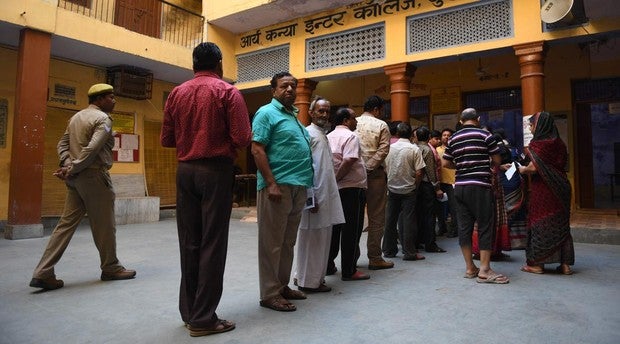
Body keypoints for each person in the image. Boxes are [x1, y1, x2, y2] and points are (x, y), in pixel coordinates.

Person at [161, 42, 251, 337]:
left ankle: (190, 313)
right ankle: (203, 319)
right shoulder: (228, 92)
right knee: (213, 242)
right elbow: (241, 137)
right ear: (220, 64)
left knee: (189, 241)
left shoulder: (177, 92)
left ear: (193, 64)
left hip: (185, 171)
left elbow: (167, 139)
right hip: (215, 171)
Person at [29, 83, 136, 291]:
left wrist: (67, 164)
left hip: (76, 179)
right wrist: (73, 167)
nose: (114, 101)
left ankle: (43, 272)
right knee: (105, 225)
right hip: (94, 177)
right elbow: (92, 149)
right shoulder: (103, 119)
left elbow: (62, 144)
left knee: (65, 225)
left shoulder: (75, 118)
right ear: (99, 99)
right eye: (111, 97)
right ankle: (111, 268)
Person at [252, 72, 314, 312]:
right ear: (274, 90)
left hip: (298, 186)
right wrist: (271, 183)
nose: (289, 89)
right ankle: (269, 294)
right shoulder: (266, 113)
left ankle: (281, 286)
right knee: (271, 243)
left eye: (293, 86)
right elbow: (257, 149)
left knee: (287, 242)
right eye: (284, 86)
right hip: (277, 187)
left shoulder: (294, 118)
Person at [442, 108, 509, 284]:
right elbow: (497, 161)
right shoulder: (486, 136)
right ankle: (485, 270)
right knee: (485, 226)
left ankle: (470, 268)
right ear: (477, 119)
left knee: (464, 227)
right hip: (480, 186)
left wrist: (464, 166)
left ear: (461, 120)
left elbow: (446, 162)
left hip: (461, 187)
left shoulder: (453, 138)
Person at [295, 97, 344, 293]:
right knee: (312, 239)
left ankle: (307, 278)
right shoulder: (308, 134)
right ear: (311, 113)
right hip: (315, 197)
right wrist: (310, 197)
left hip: (325, 196)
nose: (324, 114)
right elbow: (305, 167)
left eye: (327, 111)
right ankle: (309, 282)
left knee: (320, 238)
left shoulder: (322, 134)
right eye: (320, 111)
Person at [518, 112, 574, 275]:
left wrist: (522, 169)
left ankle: (537, 265)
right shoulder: (560, 144)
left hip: (544, 190)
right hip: (562, 188)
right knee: (561, 224)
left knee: (540, 222)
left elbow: (533, 168)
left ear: (540, 125)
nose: (530, 127)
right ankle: (565, 265)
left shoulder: (538, 145)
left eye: (532, 125)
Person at [326, 107, 371, 281]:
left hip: (335, 190)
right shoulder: (351, 136)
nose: (356, 121)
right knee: (352, 230)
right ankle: (349, 269)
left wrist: (333, 182)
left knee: (334, 229)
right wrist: (337, 178)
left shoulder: (328, 137)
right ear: (345, 120)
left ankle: (329, 265)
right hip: (352, 188)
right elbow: (349, 159)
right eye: (353, 118)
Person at [355, 95, 393, 270]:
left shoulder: (352, 122)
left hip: (353, 176)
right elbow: (383, 150)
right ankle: (375, 257)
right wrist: (369, 167)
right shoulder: (381, 125)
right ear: (377, 109)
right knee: (376, 217)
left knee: (352, 217)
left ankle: (351, 258)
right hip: (375, 175)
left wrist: (360, 169)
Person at [383, 122, 426, 261]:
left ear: (396, 133)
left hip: (392, 188)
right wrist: (415, 186)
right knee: (408, 221)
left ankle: (389, 251)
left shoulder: (389, 148)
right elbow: (419, 172)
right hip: (409, 190)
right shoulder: (414, 149)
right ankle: (409, 252)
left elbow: (384, 168)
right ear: (411, 134)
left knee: (390, 220)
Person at [415, 126, 446, 253]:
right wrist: (436, 187)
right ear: (428, 137)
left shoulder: (414, 148)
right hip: (427, 185)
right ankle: (430, 244)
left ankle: (418, 241)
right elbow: (430, 171)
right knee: (429, 216)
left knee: (418, 215)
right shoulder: (427, 150)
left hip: (417, 185)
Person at [436, 128, 458, 238]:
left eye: (448, 135)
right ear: (441, 137)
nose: (446, 137)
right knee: (440, 208)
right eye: (444, 135)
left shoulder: (455, 149)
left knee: (454, 207)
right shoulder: (436, 150)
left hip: (452, 181)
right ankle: (441, 228)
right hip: (441, 182)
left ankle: (454, 230)